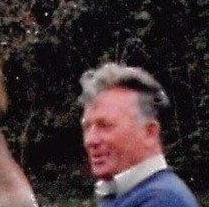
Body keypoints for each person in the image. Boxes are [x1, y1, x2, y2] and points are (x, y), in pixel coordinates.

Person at [78, 62, 200, 207]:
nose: (90, 140)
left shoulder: (163, 201)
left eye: (105, 126)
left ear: (149, 132)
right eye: (86, 127)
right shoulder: (121, 194)